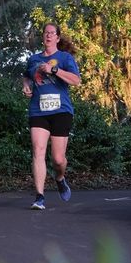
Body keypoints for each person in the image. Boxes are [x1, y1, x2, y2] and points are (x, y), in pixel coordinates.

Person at [22, 22, 81, 210]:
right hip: (38, 111)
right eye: (45, 33)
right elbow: (27, 75)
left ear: (57, 37)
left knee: (57, 159)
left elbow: (76, 80)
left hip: (61, 111)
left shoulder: (65, 57)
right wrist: (26, 85)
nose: (48, 36)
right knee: (38, 150)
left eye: (52, 33)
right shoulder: (34, 59)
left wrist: (54, 70)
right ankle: (39, 196)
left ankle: (60, 177)